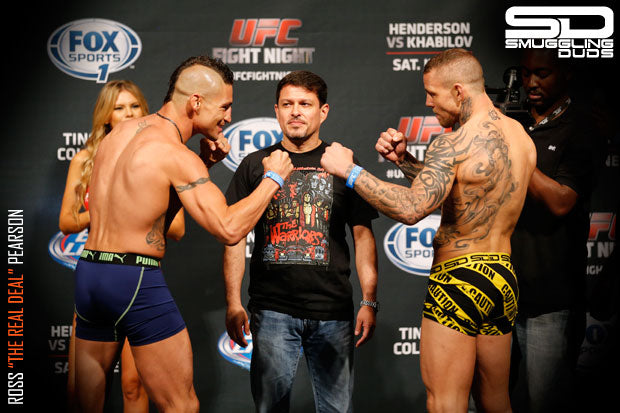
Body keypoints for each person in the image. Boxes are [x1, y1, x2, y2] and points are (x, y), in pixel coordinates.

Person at [73, 55, 293, 413]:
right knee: (180, 405)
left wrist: (203, 164)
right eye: (224, 106)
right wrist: (274, 179)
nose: (228, 117)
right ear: (195, 103)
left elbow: (147, 212)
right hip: (133, 281)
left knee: (86, 403)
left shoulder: (118, 135)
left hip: (91, 274)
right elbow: (228, 228)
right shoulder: (176, 154)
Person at [320, 48, 536, 412]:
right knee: (497, 401)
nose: (427, 101)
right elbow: (465, 193)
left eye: (432, 94)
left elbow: (412, 208)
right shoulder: (521, 138)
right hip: (501, 278)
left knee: (444, 401)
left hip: (459, 278)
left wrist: (350, 171)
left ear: (458, 91)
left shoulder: (451, 143)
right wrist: (405, 161)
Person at [223, 70, 379, 413]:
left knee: (337, 410)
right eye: (287, 104)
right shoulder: (254, 166)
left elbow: (363, 236)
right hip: (272, 309)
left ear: (323, 111)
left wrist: (369, 299)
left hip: (333, 312)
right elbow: (233, 237)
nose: (295, 111)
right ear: (276, 110)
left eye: (305, 104)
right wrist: (233, 301)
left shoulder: (342, 165)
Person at [59, 79, 185, 413]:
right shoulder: (85, 159)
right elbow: (67, 221)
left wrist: (138, 209)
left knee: (133, 385)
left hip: (138, 280)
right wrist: (104, 209)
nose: (128, 113)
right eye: (119, 107)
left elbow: (178, 229)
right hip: (95, 279)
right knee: (81, 391)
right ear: (105, 116)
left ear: (146, 111)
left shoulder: (160, 156)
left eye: (134, 106)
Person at [508, 48, 599, 412]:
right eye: (526, 74)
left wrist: (518, 152)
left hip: (551, 299)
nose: (531, 83)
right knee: (491, 401)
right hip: (500, 293)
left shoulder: (582, 128)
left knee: (544, 403)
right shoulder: (513, 121)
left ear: (566, 74)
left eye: (542, 74)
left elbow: (563, 200)